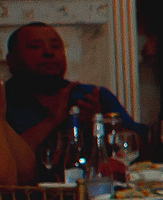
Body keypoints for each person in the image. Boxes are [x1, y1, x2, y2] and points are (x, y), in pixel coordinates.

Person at [4, 24, 136, 169]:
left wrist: (102, 125)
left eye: (55, 46)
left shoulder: (90, 96)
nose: (49, 52)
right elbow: (6, 163)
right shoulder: (3, 101)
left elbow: (141, 147)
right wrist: (52, 120)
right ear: (11, 60)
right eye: (35, 47)